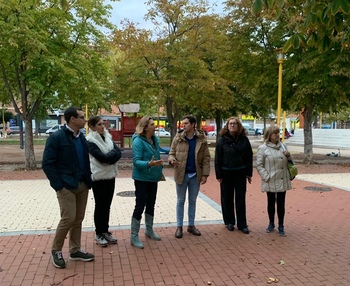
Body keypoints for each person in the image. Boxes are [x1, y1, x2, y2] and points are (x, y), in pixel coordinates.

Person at [42, 107, 94, 269]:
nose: (84, 120)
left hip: (82, 185)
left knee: (78, 219)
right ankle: (56, 250)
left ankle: (75, 250)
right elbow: (47, 164)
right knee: (68, 218)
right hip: (66, 186)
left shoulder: (81, 138)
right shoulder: (56, 138)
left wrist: (87, 180)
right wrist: (58, 185)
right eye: (81, 117)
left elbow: (85, 161)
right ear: (72, 119)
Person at [168, 115, 211, 238]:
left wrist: (205, 174)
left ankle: (191, 225)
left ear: (193, 125)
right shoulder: (178, 137)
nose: (183, 125)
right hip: (181, 174)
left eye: (186, 123)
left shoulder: (201, 139)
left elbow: (206, 158)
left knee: (192, 201)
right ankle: (179, 227)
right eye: (183, 123)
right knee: (180, 201)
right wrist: (172, 160)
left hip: (195, 175)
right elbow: (171, 153)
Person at [86, 116, 122, 247]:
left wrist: (110, 157)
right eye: (99, 124)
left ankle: (105, 231)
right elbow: (101, 157)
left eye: (103, 124)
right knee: (100, 205)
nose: (103, 126)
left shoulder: (108, 137)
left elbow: (118, 153)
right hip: (99, 177)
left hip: (110, 175)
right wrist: (111, 157)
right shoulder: (90, 141)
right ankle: (99, 233)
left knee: (107, 205)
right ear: (92, 127)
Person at [214, 117, 253, 234]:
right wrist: (218, 175)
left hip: (240, 172)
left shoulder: (244, 140)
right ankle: (229, 221)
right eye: (230, 124)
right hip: (226, 173)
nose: (232, 125)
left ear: (238, 125)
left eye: (234, 123)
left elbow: (249, 157)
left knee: (240, 198)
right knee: (227, 198)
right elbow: (217, 159)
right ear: (227, 126)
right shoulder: (222, 140)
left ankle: (242, 224)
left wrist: (249, 173)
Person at [130, 116, 164, 249]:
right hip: (141, 178)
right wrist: (149, 164)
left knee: (151, 204)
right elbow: (136, 162)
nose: (154, 126)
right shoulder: (138, 141)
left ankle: (149, 230)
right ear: (145, 127)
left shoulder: (155, 140)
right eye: (151, 124)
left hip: (153, 178)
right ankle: (134, 235)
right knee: (140, 205)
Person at [256, 126, 292, 236]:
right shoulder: (263, 148)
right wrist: (266, 176)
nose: (277, 135)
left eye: (278, 133)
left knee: (281, 204)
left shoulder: (283, 146)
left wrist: (289, 156)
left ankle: (281, 225)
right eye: (274, 133)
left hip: (282, 178)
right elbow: (259, 165)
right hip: (270, 179)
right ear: (269, 135)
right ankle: (271, 223)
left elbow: (290, 162)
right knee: (271, 202)